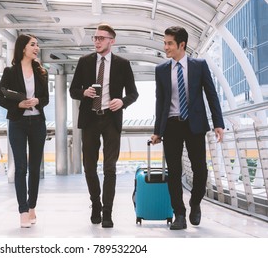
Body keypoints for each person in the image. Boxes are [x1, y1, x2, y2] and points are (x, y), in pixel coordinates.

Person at [151, 26, 224, 230]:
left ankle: (195, 203)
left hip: (195, 125)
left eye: (169, 43)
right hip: (172, 125)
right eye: (165, 43)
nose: (165, 47)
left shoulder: (199, 66)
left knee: (200, 170)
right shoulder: (162, 70)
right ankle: (179, 214)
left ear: (181, 45)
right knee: (174, 172)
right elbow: (160, 101)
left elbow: (211, 95)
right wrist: (158, 131)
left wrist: (218, 123)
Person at [69, 24, 138, 228]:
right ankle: (96, 204)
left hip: (111, 118)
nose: (97, 41)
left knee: (110, 168)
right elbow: (73, 90)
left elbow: (134, 93)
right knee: (89, 167)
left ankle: (107, 211)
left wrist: (122, 102)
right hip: (90, 118)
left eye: (101, 38)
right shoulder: (84, 62)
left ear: (111, 41)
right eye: (95, 38)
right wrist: (84, 93)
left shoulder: (122, 64)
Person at [0, 34, 49, 228]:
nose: (36, 48)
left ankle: (32, 206)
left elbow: (46, 99)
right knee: (21, 168)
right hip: (18, 123)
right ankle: (23, 211)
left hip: (38, 123)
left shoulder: (42, 72)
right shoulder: (10, 71)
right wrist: (19, 103)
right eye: (33, 44)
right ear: (23, 48)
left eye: (37, 45)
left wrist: (37, 101)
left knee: (35, 168)